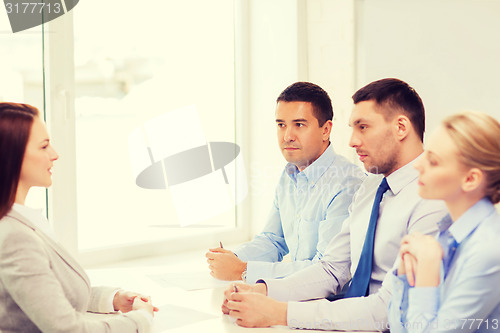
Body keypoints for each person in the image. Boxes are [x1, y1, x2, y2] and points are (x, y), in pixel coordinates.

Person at [221, 78, 448, 331]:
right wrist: (262, 290)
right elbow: (332, 269)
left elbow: (390, 309)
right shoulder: (371, 186)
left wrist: (282, 313)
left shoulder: (434, 201)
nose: (351, 141)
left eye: (363, 127)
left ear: (401, 127)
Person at [0, 102, 158, 332]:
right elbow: (68, 329)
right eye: (44, 147)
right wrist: (140, 320)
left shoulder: (22, 222)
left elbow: (50, 293)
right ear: (12, 156)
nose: (55, 154)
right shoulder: (15, 236)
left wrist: (112, 299)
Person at [206, 82, 365, 283]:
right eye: (281, 125)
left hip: (328, 304)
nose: (287, 136)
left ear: (326, 130)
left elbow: (326, 271)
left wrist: (243, 270)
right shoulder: (290, 173)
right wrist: (233, 259)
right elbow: (273, 240)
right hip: (295, 294)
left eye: (299, 125)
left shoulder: (347, 184)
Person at [388, 111, 500, 332]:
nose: (417, 166)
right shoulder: (444, 234)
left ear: (470, 179)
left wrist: (428, 270)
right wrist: (403, 274)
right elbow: (399, 326)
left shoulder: (489, 251)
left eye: (433, 161)